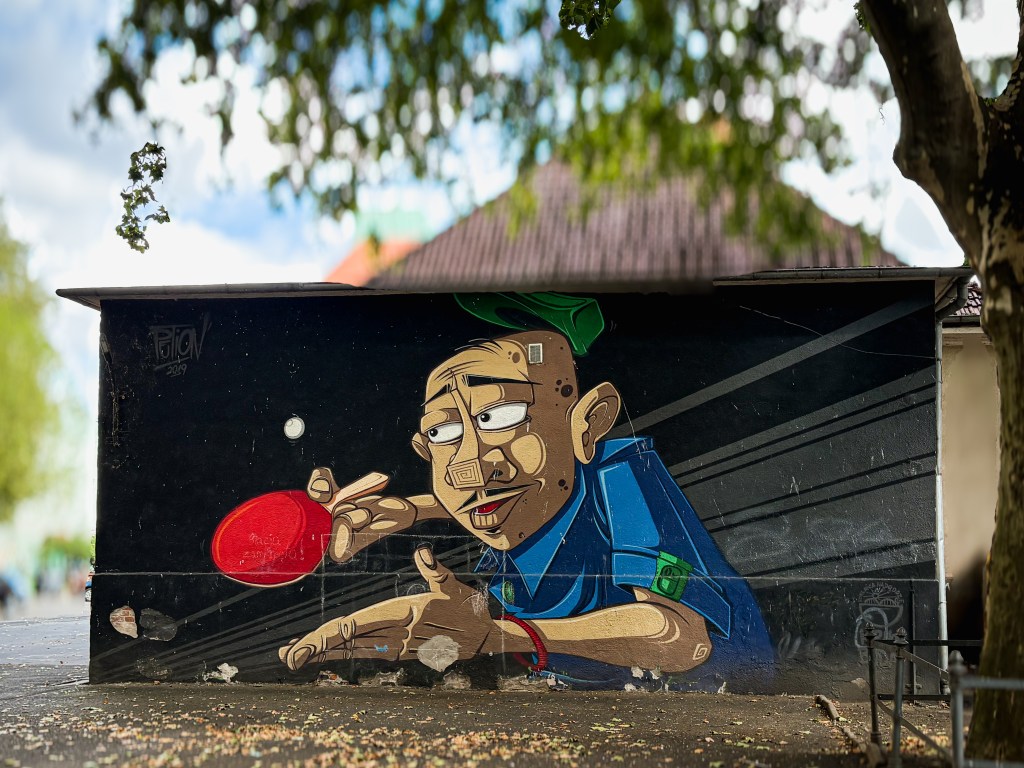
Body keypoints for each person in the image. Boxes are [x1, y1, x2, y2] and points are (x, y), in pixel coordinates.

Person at [279, 330, 773, 688]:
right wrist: (418, 638)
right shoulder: (509, 532)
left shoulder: (622, 477)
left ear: (585, 424)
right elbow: (487, 505)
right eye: (443, 432)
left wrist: (498, 635)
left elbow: (681, 637)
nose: (469, 464)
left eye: (500, 416)